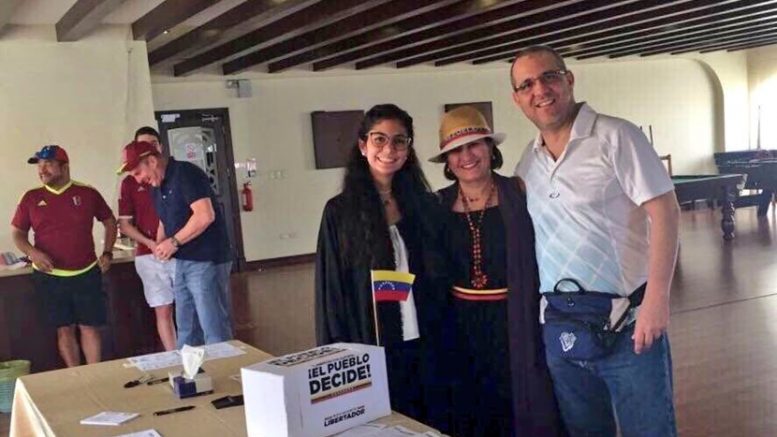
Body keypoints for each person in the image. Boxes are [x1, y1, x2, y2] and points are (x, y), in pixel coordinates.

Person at [511, 45, 680, 436]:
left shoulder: (617, 136)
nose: (540, 90)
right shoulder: (528, 161)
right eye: (527, 84)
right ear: (517, 98)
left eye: (549, 77)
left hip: (630, 328)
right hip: (562, 331)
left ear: (569, 79)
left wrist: (657, 301)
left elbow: (666, 212)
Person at [429, 106, 564, 437]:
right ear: (447, 161)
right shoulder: (436, 205)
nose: (466, 156)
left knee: (520, 400)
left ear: (490, 148)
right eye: (456, 150)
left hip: (516, 318)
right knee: (471, 402)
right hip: (460, 325)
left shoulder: (519, 193)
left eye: (474, 145)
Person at [315, 104, 447, 426]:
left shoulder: (424, 205)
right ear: (363, 145)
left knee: (426, 419)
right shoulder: (340, 212)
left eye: (399, 140)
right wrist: (337, 354)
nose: (389, 149)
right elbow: (331, 291)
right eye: (379, 139)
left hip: (424, 338)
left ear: (409, 148)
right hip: (370, 340)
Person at [118, 140, 233, 348]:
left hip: (206, 258)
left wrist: (173, 242)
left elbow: (205, 215)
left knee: (212, 325)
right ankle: (189, 366)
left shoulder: (186, 174)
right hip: (182, 260)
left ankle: (223, 365)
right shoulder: (157, 186)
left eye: (138, 172)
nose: (138, 179)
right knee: (187, 327)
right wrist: (159, 243)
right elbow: (165, 219)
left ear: (152, 161)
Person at [11, 145, 117, 367]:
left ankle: (94, 375)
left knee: (90, 327)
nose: (42, 170)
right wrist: (32, 252)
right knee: (64, 329)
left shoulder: (87, 193)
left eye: (48, 164)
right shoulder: (31, 197)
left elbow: (109, 221)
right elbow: (18, 234)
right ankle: (75, 375)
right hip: (50, 276)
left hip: (86, 272)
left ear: (65, 167)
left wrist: (107, 252)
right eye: (39, 165)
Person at [117, 126, 176, 351]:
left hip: (179, 249)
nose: (148, 148)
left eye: (152, 144)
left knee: (189, 306)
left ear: (160, 147)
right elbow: (125, 224)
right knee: (162, 309)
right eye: (142, 144)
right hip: (148, 254)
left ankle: (195, 355)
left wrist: (168, 241)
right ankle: (174, 355)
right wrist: (151, 244)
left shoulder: (174, 174)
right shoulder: (130, 182)